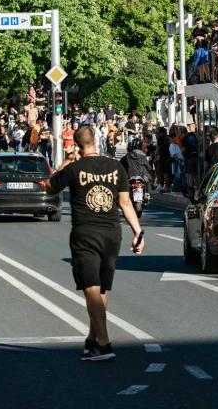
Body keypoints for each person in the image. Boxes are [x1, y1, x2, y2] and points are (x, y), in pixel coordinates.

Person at [45, 126, 144, 362]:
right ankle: (92, 340)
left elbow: (49, 186)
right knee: (100, 289)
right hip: (112, 233)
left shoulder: (74, 168)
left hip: (86, 233)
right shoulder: (116, 166)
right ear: (96, 141)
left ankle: (104, 344)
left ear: (77, 146)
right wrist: (138, 232)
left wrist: (66, 161)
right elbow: (125, 203)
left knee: (90, 286)